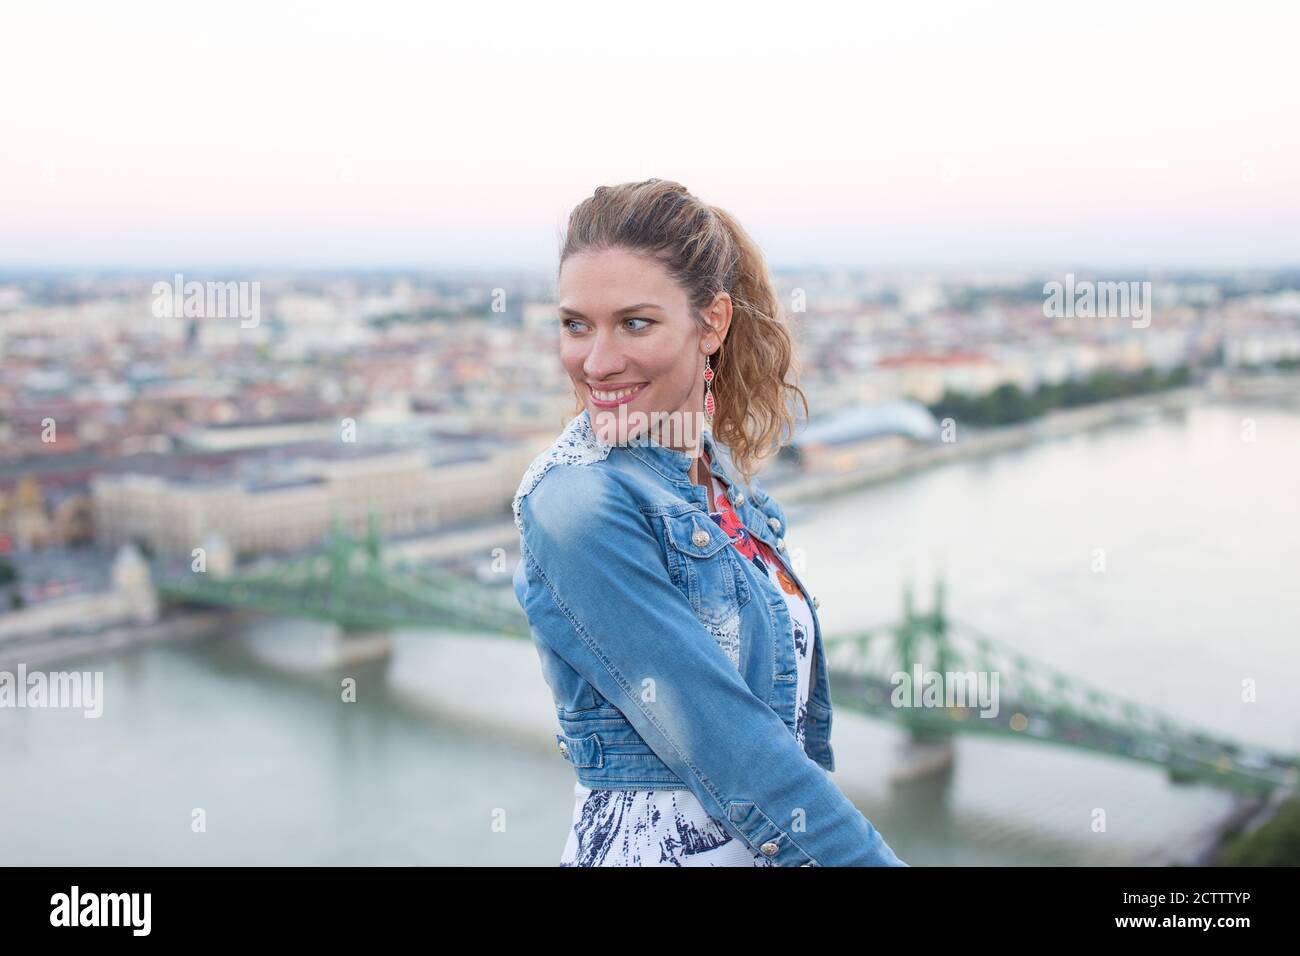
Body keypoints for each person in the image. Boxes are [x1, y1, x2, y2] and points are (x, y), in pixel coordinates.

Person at [512, 178, 906, 867]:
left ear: (713, 323)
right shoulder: (576, 502)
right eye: (576, 324)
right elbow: (738, 750)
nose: (596, 362)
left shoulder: (717, 478)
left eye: (635, 323)